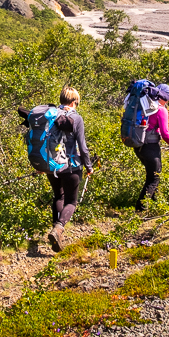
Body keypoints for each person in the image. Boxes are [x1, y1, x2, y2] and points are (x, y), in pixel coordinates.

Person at [46, 87, 94, 252]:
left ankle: (55, 234)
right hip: (70, 166)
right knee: (71, 202)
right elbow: (83, 147)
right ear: (74, 102)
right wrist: (89, 166)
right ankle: (58, 229)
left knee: (58, 196)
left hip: (50, 165)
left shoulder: (50, 114)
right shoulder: (76, 118)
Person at [134, 83, 169, 211]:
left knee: (153, 175)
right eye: (167, 98)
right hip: (150, 147)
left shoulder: (142, 105)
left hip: (138, 146)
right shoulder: (160, 110)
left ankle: (157, 203)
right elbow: (165, 133)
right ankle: (140, 209)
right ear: (161, 96)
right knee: (154, 178)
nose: (167, 101)